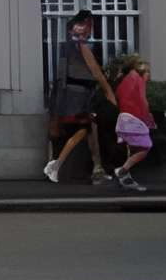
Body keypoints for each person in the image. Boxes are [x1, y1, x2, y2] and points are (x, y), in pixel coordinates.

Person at [43, 10, 113, 185]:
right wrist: (109, 92)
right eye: (84, 25)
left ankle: (96, 168)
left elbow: (62, 76)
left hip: (75, 98)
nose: (87, 29)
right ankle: (57, 165)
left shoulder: (68, 46)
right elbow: (95, 71)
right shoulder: (79, 45)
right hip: (78, 98)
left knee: (88, 130)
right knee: (84, 129)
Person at [106, 52, 158, 193]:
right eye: (148, 72)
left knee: (134, 150)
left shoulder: (125, 80)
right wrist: (148, 119)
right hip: (133, 120)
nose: (149, 75)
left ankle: (126, 179)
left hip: (123, 119)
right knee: (146, 146)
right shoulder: (138, 79)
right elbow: (143, 100)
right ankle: (122, 171)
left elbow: (121, 97)